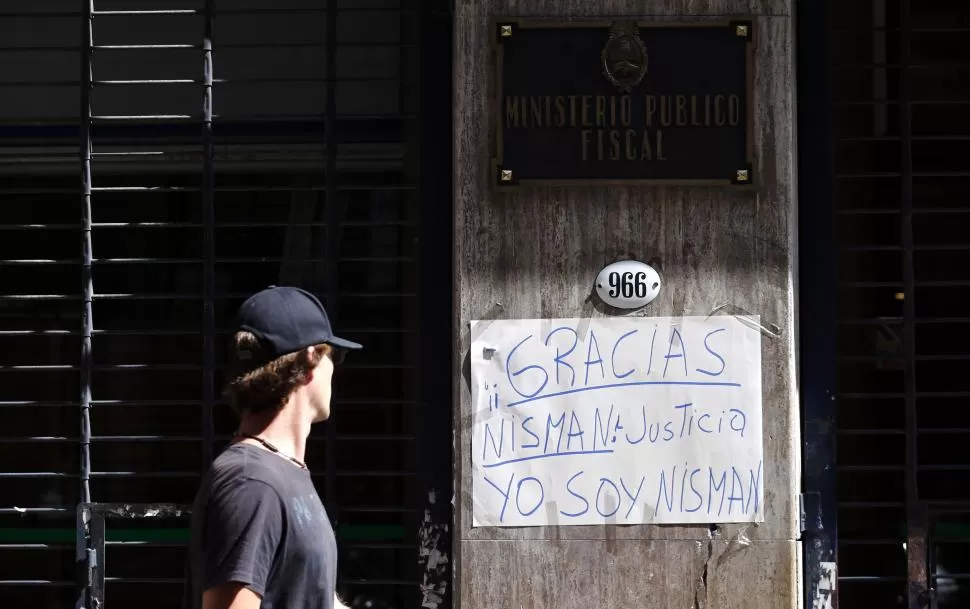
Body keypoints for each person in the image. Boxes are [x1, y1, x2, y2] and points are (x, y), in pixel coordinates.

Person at [183, 286, 362, 609]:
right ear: (311, 357)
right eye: (336, 356)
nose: (336, 369)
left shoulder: (280, 473)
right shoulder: (251, 484)